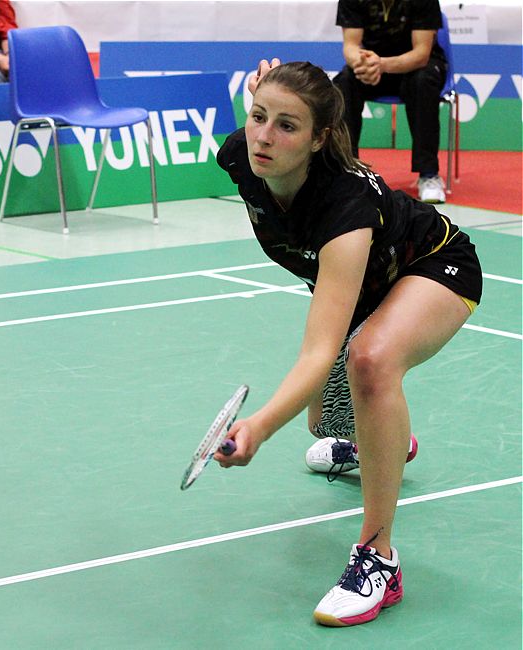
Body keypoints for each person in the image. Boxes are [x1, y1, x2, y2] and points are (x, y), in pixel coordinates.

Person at [215, 59, 481, 627]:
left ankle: (378, 561)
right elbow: (326, 316)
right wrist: (276, 97)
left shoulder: (344, 207)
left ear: (319, 139)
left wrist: (258, 426)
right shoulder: (241, 155)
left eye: (288, 126)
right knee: (326, 425)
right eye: (259, 117)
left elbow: (317, 354)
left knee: (371, 361)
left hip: (433, 264)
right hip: (364, 286)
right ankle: (382, 444)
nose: (265, 136)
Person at [332, 0, 448, 204]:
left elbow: (422, 54)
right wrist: (362, 65)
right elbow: (350, 45)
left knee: (423, 82)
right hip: (373, 66)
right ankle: (346, 171)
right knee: (344, 81)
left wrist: (382, 65)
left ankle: (428, 175)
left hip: (416, 67)